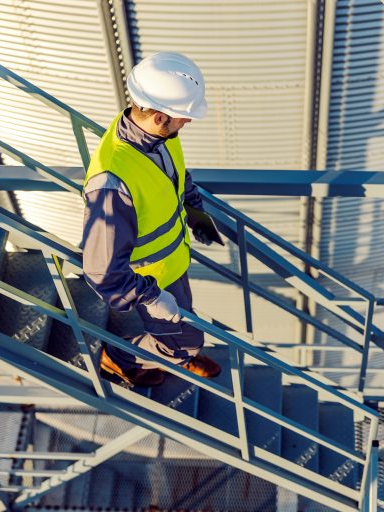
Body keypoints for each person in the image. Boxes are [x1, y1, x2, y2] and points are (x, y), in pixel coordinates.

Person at [82, 52, 221, 387]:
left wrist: (194, 209)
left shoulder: (155, 135)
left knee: (182, 324)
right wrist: (152, 297)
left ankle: (176, 349)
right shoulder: (113, 183)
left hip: (172, 262)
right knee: (182, 339)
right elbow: (101, 272)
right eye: (183, 118)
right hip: (150, 280)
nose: (186, 123)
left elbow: (175, 176)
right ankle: (120, 359)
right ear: (160, 116)